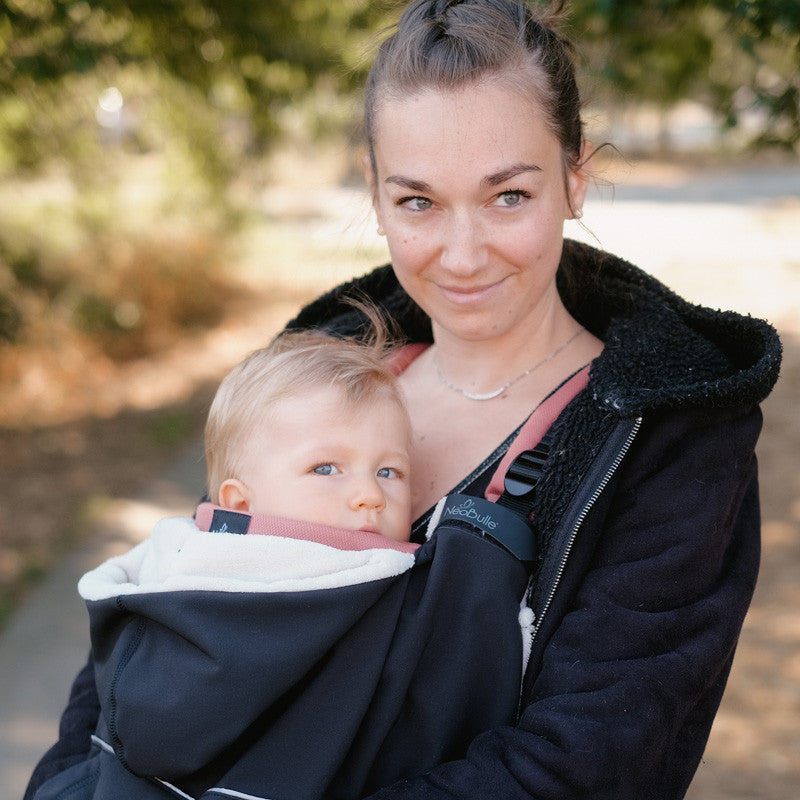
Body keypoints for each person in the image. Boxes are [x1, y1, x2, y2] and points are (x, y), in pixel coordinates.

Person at [26, 1, 782, 799]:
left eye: (509, 197)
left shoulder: (669, 438)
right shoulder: (315, 371)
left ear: (576, 176)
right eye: (418, 201)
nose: (462, 256)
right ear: (376, 194)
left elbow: (590, 764)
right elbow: (172, 606)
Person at [30, 329, 541, 800]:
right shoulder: (205, 592)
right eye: (325, 468)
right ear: (238, 503)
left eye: (389, 470)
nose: (369, 495)